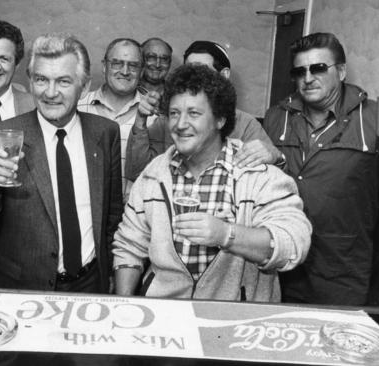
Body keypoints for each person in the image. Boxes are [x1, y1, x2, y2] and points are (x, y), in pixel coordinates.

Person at [113, 64, 311, 300]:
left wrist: (226, 234)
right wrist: (123, 304)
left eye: (194, 113)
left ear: (220, 119)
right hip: (166, 318)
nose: (180, 123)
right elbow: (129, 246)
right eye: (174, 113)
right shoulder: (153, 175)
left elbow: (293, 244)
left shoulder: (257, 175)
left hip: (235, 320)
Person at [262, 32, 379, 305]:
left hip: (340, 271)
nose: (307, 78)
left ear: (340, 71)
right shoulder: (276, 117)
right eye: (299, 71)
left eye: (318, 68)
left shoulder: (377, 119)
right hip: (280, 263)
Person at [0, 33, 123, 293]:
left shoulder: (105, 133)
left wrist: (111, 272)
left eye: (64, 81)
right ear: (31, 82)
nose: (50, 92)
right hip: (24, 287)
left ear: (84, 86)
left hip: (91, 283)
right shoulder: (3, 136)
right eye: (41, 79)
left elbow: (112, 215)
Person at [126, 40, 281, 182]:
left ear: (224, 75)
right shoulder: (170, 121)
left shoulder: (246, 125)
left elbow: (273, 177)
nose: (194, 79)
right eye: (189, 71)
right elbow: (138, 172)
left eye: (203, 71)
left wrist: (274, 155)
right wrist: (140, 121)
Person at [77, 38, 143, 199]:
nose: (125, 71)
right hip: (85, 210)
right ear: (104, 66)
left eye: (133, 65)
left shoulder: (153, 116)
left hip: (135, 217)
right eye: (117, 63)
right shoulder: (77, 107)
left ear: (141, 71)